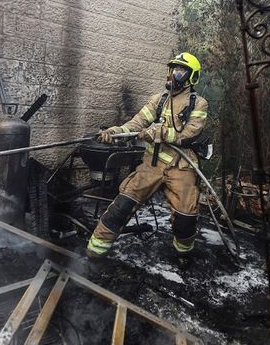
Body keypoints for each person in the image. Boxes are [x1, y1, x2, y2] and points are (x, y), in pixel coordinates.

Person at [86, 52, 208, 258]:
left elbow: (189, 134)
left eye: (180, 71)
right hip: (151, 165)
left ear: (192, 77)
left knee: (185, 218)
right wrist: (115, 133)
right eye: (173, 70)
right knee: (122, 205)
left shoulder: (198, 103)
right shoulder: (158, 100)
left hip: (181, 167)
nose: (173, 75)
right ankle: (94, 252)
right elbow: (136, 124)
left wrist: (159, 132)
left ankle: (184, 255)